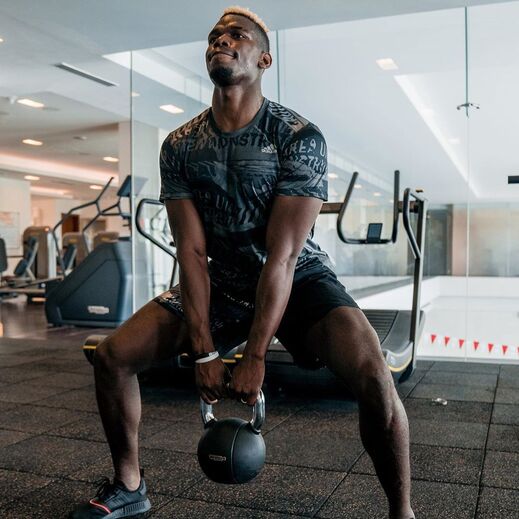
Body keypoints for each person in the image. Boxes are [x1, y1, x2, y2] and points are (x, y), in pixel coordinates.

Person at [69, 6, 414, 519]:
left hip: (300, 279)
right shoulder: (180, 145)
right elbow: (191, 252)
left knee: (374, 375)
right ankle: (129, 485)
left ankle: (402, 512)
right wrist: (205, 350)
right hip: (225, 282)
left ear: (264, 59)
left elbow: (285, 255)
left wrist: (254, 355)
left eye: (237, 35)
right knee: (113, 357)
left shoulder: (298, 137)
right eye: (214, 36)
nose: (221, 41)